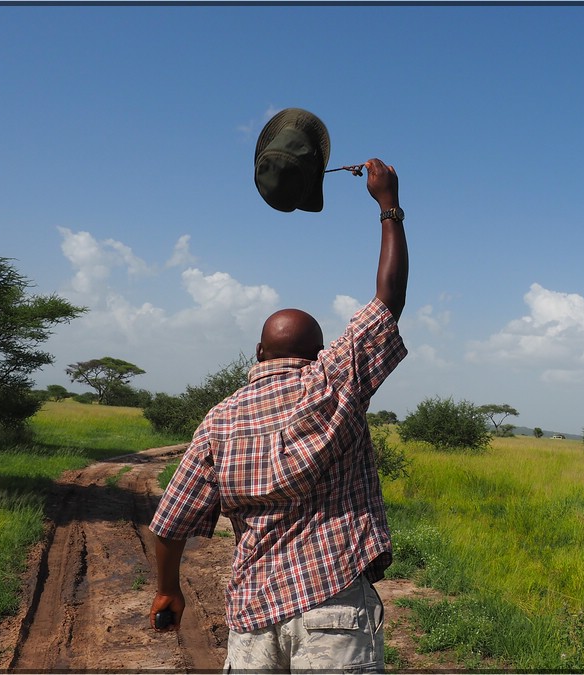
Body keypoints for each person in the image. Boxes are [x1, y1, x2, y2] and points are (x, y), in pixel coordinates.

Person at [147, 158, 408, 672]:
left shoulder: (219, 421)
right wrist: (388, 207)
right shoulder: (335, 381)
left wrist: (167, 590)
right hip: (334, 603)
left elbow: (170, 523)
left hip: (253, 617)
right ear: (319, 351)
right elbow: (388, 301)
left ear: (259, 353)